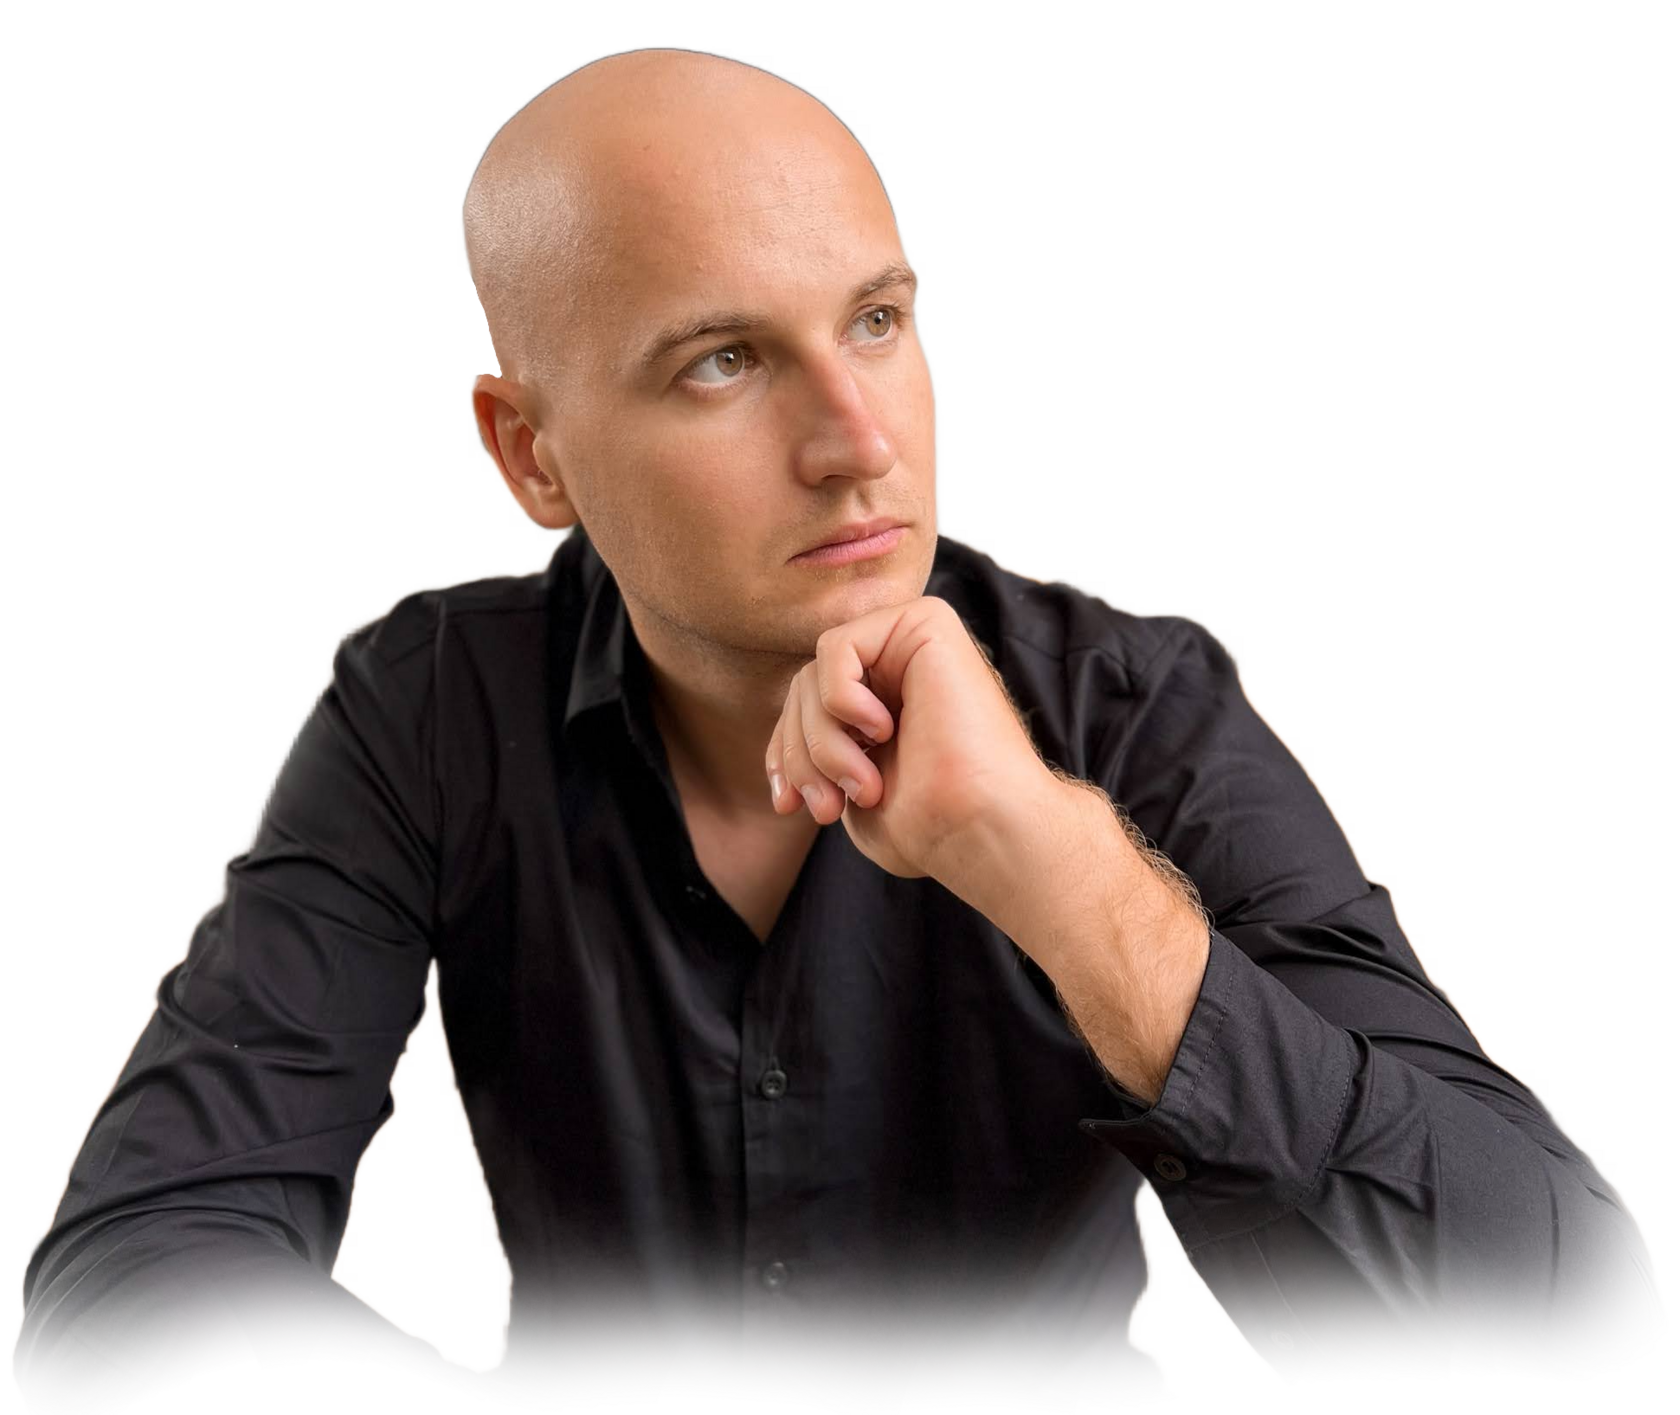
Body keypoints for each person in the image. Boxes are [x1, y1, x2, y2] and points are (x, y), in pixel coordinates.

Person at [12, 46, 1664, 1415]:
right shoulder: (429, 701)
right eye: (723, 361)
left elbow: (1568, 1332)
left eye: (878, 320)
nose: (859, 442)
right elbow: (139, 1273)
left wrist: (1063, 873)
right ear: (528, 453)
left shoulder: (1135, 705)